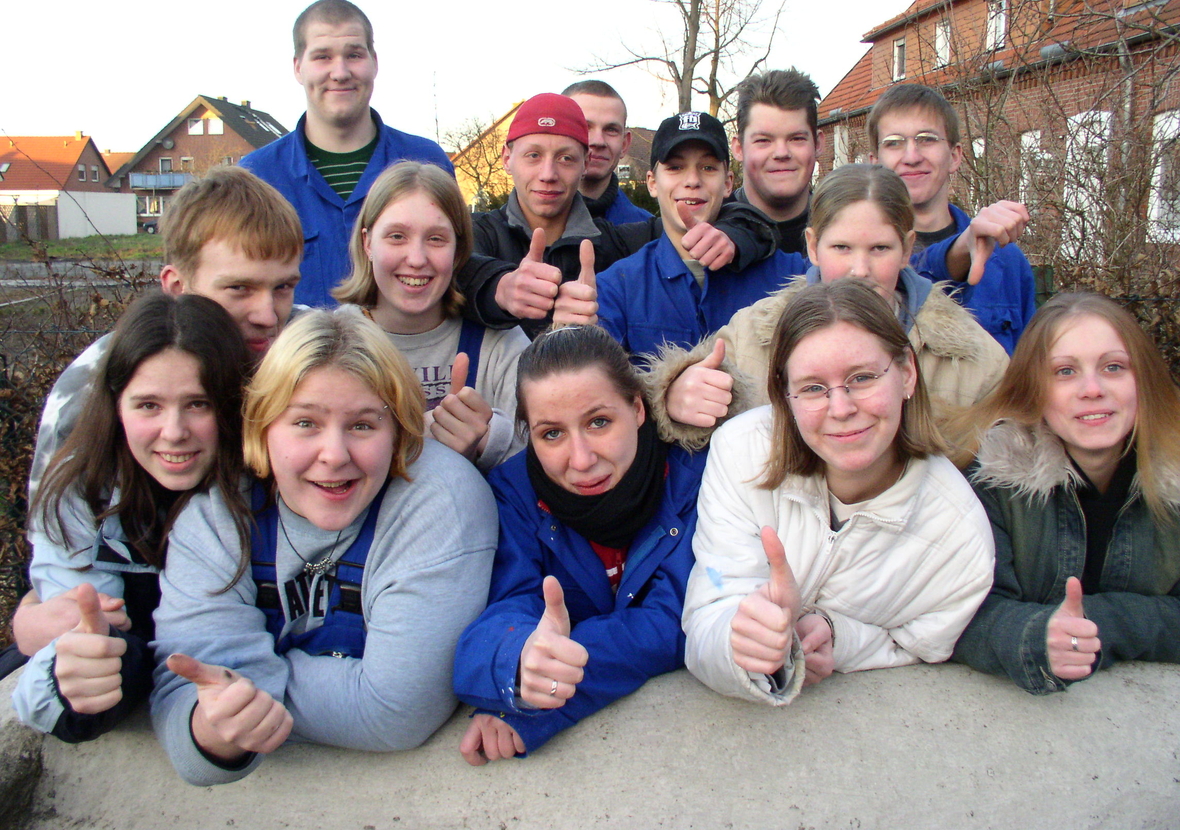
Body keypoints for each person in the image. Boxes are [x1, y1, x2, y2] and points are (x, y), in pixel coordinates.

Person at [150, 308, 497, 786]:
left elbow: (396, 710)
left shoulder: (440, 500)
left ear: (398, 433)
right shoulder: (217, 512)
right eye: (305, 423)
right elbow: (185, 695)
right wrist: (212, 728)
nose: (334, 455)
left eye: (362, 426)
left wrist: (251, 679)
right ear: (262, 426)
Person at [9, 167, 303, 674]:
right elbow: (60, 555)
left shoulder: (305, 360)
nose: (268, 315)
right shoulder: (92, 394)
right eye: (238, 289)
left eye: (283, 288)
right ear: (175, 286)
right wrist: (35, 619)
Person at [682, 279, 994, 705]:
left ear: (907, 373)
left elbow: (921, 645)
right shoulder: (741, 452)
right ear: (784, 395)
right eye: (812, 388)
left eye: (862, 378)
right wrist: (738, 642)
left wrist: (839, 637)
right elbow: (712, 604)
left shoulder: (959, 537)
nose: (841, 408)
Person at [453, 324, 707, 762]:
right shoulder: (513, 494)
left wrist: (546, 701)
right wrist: (519, 660)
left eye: (599, 422)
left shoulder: (692, 478)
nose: (582, 458)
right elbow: (503, 609)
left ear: (638, 408)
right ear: (527, 434)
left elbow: (673, 622)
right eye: (551, 434)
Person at [11, 292, 251, 741]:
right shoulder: (81, 489)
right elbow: (76, 637)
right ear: (116, 405)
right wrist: (75, 681)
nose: (174, 432)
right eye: (148, 406)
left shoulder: (268, 480)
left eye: (198, 403)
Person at [646, 163, 1009, 450]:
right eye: (842, 248)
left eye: (880, 248)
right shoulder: (752, 337)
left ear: (907, 248)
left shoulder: (973, 360)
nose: (860, 270)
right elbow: (682, 400)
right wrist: (676, 397)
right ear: (813, 246)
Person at [949, 293, 1180, 693]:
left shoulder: (1173, 481)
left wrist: (1101, 622)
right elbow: (960, 615)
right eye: (1065, 372)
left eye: (1113, 367)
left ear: (1141, 378)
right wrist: (1035, 635)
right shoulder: (989, 480)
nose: (1092, 389)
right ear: (1033, 388)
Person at [463, 92, 773, 336]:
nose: (548, 173)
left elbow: (722, 216)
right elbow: (448, 269)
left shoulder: (617, 239)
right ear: (507, 157)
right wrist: (500, 289)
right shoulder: (477, 232)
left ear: (586, 163)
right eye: (534, 155)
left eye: (566, 158)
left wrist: (731, 236)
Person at [240, 0, 454, 306]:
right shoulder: (257, 177)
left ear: (374, 62)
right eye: (322, 57)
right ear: (298, 67)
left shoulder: (427, 161)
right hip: (297, 355)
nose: (340, 72)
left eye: (353, 55)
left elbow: (460, 270)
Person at [334, 161, 528, 471]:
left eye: (436, 239)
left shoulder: (502, 346)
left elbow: (544, 460)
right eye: (397, 236)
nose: (416, 259)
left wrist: (489, 442)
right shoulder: (331, 341)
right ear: (367, 242)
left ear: (459, 249)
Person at [597, 110, 803, 361]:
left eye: (707, 167)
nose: (693, 180)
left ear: (728, 182)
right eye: (675, 167)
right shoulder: (617, 288)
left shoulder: (790, 276)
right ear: (652, 182)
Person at [868, 83, 1036, 354]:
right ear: (875, 161)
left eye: (927, 139)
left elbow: (1029, 372)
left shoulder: (1006, 261)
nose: (912, 156)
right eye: (894, 143)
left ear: (955, 156)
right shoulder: (858, 262)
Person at [723, 68, 825, 255]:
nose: (781, 153)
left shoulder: (844, 232)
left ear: (818, 143)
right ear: (738, 148)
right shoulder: (710, 230)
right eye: (763, 140)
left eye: (796, 139)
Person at [561, 80, 652, 225]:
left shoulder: (650, 234)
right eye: (585, 127)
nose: (598, 141)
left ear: (624, 144)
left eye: (611, 130)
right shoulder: (518, 231)